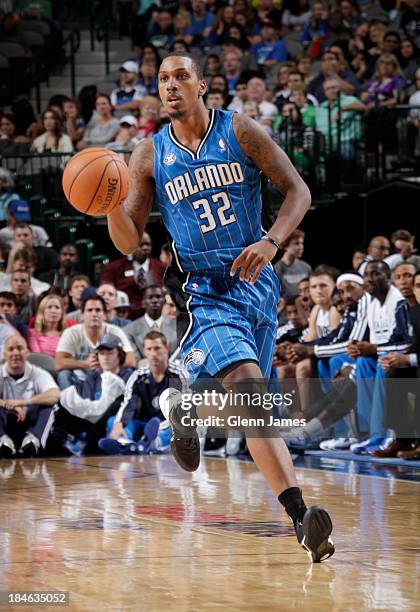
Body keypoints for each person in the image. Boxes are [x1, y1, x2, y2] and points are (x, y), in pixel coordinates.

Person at [106, 52, 334, 563]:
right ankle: (302, 518)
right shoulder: (149, 155)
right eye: (162, 79)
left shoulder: (239, 131)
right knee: (254, 394)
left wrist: (273, 241)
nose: (170, 86)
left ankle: (187, 411)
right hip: (202, 291)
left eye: (180, 76)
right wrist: (108, 205)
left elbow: (298, 190)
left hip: (257, 283)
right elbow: (128, 240)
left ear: (202, 85)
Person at [100, 330, 185, 454]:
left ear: (167, 348)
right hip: (145, 426)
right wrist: (119, 424)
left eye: (157, 348)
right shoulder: (138, 376)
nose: (153, 354)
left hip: (167, 425)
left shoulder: (179, 375)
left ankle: (151, 444)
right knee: (113, 420)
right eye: (149, 349)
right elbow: (128, 403)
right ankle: (126, 443)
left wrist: (157, 429)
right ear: (144, 351)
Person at [52, 334, 134, 455]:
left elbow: (129, 407)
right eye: (102, 353)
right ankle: (71, 439)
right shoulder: (93, 378)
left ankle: (85, 439)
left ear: (119, 355)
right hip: (91, 424)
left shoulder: (130, 376)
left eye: (110, 353)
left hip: (114, 424)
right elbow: (87, 409)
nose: (105, 357)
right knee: (57, 406)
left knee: (119, 402)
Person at [56, 295, 136, 390]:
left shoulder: (115, 331)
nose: (94, 314)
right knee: (64, 375)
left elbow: (131, 361)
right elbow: (59, 363)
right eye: (89, 310)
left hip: (109, 378)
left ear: (105, 315)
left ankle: (123, 403)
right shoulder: (71, 332)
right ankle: (69, 404)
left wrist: (104, 364)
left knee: (128, 372)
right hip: (80, 380)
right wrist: (85, 363)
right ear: (81, 315)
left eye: (98, 310)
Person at [0, 335, 60, 457]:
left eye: (20, 348)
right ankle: (2, 442)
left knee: (50, 405)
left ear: (27, 353)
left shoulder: (38, 373)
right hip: (5, 421)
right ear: (4, 355)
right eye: (11, 349)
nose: (15, 353)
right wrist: (7, 405)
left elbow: (55, 394)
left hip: (30, 422)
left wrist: (22, 402)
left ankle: (33, 442)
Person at [100, 232, 165, 319]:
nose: (145, 248)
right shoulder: (114, 267)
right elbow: (105, 291)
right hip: (124, 316)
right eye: (141, 245)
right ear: (131, 246)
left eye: (148, 244)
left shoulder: (161, 267)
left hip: (155, 316)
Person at [124, 285, 177, 360]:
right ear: (143, 303)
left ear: (164, 302)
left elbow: (180, 357)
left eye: (158, 297)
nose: (155, 300)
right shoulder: (129, 330)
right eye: (150, 297)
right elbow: (136, 360)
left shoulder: (178, 327)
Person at [274, 229, 312, 301]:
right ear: (285, 246)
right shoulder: (277, 269)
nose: (301, 247)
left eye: (302, 243)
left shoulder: (306, 267)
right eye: (296, 243)